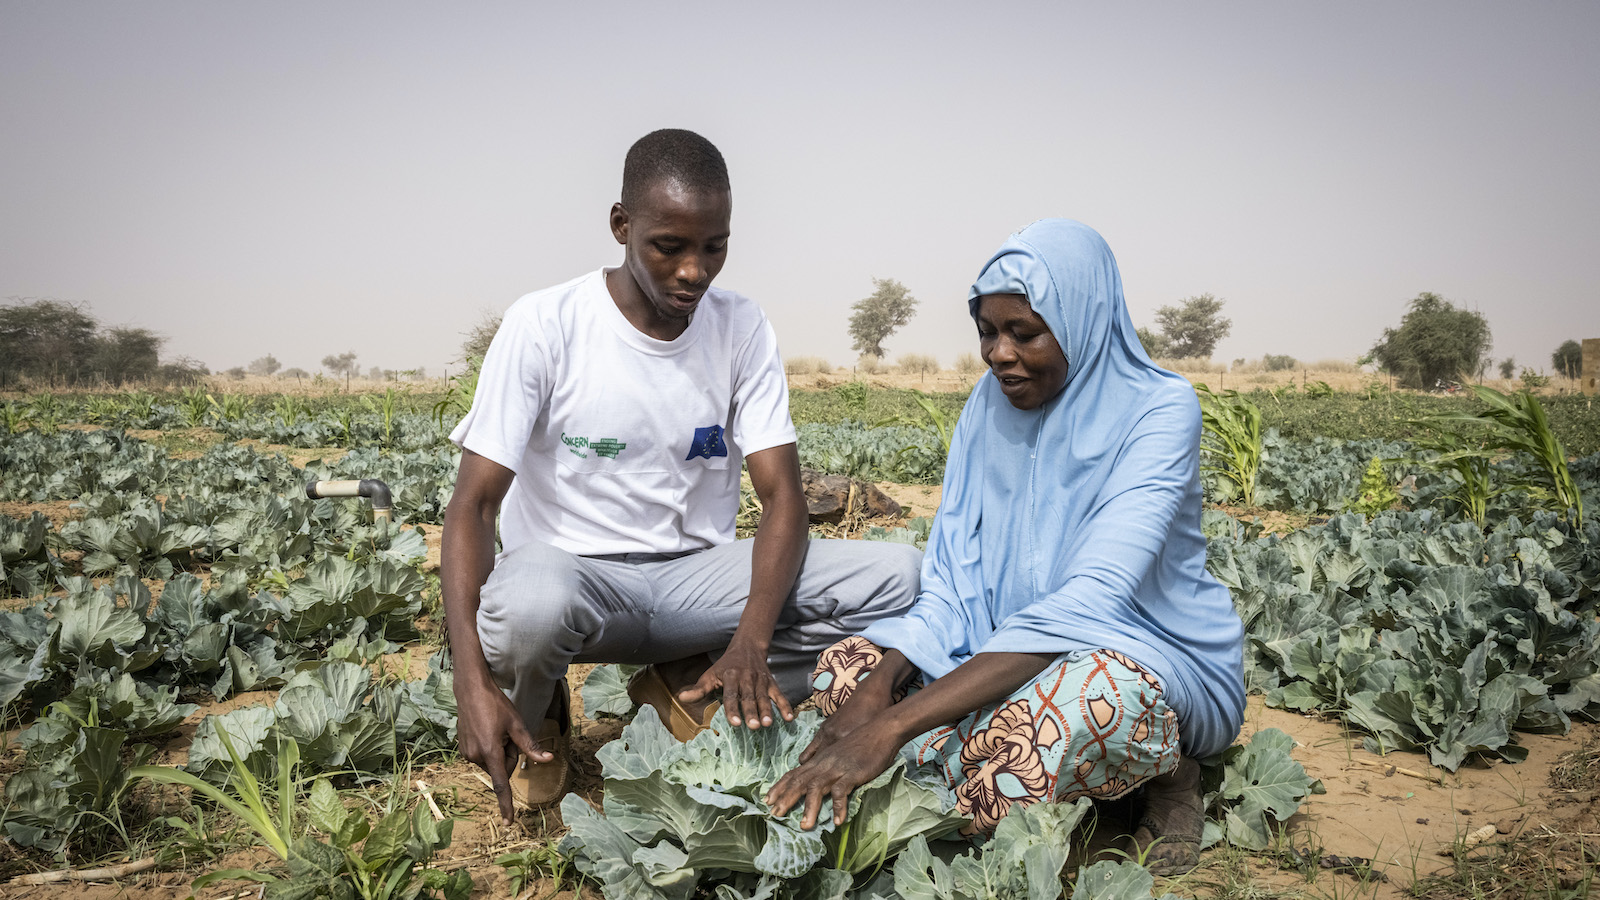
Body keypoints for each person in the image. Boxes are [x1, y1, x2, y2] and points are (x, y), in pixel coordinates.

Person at [443, 129, 921, 825]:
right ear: (621, 226)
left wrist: (751, 641)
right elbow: (472, 507)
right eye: (670, 246)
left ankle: (690, 687)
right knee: (531, 601)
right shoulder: (546, 323)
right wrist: (469, 681)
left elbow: (783, 496)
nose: (695, 271)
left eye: (714, 246)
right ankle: (538, 712)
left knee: (902, 576)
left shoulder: (742, 327)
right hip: (578, 583)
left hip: (693, 581)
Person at [765, 219, 1246, 876]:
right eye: (987, 331)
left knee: (1052, 724)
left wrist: (891, 729)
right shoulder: (985, 409)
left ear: (1081, 320)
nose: (998, 353)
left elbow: (1089, 603)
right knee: (842, 672)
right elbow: (951, 582)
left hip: (1133, 655)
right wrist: (877, 694)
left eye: (1024, 333)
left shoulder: (1159, 411)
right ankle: (1006, 761)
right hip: (996, 651)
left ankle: (1171, 775)